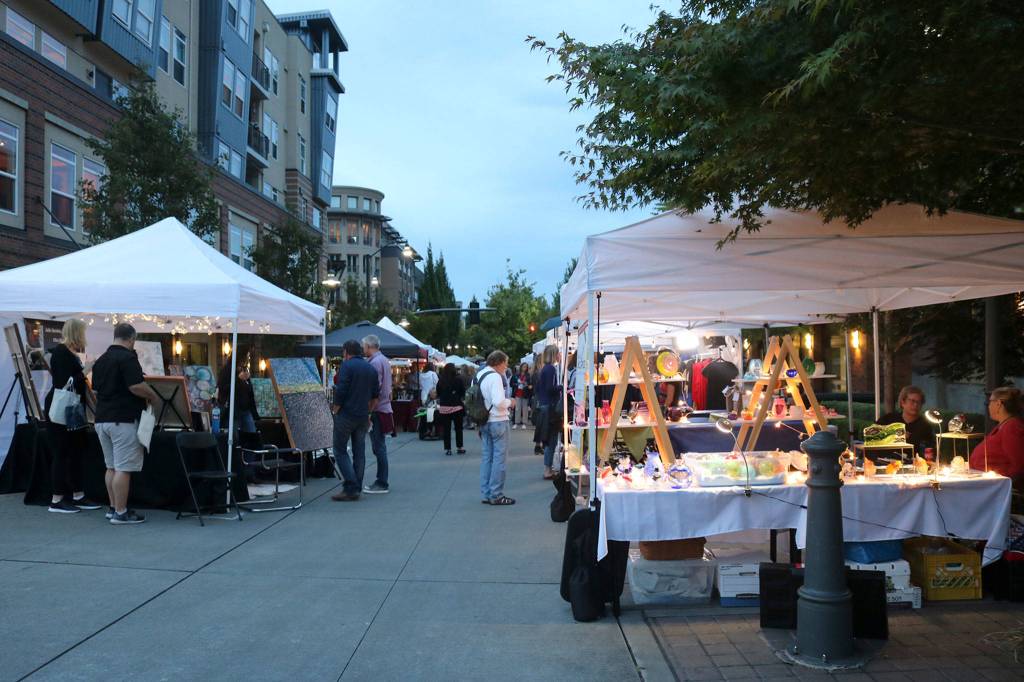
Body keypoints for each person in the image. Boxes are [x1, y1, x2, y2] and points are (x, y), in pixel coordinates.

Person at [92, 322, 159, 525]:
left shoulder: (101, 360)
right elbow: (136, 386)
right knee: (123, 468)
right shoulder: (127, 357)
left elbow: (94, 391)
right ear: (131, 338)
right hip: (123, 419)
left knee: (110, 466)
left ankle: (113, 508)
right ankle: (121, 512)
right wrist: (153, 395)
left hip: (102, 418)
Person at [44, 319, 101, 513]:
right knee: (61, 452)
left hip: (73, 409)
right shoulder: (61, 353)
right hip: (63, 409)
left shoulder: (69, 353)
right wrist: (86, 370)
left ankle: (78, 494)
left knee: (75, 451)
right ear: (77, 333)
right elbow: (65, 383)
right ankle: (57, 499)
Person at [331, 340, 379, 502]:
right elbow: (375, 396)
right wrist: (369, 412)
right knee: (359, 452)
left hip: (346, 415)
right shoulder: (370, 368)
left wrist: (335, 409)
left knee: (340, 450)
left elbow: (341, 389)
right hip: (362, 416)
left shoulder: (347, 366)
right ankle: (356, 486)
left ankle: (351, 486)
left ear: (346, 352)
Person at [479, 350, 514, 506]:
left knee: (488, 458)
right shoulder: (495, 377)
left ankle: (487, 493)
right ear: (499, 363)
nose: (506, 367)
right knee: (499, 459)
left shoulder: (479, 375)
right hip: (498, 420)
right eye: (505, 363)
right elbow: (499, 401)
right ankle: (496, 494)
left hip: (483, 420)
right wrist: (510, 402)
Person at [970, 387, 1024, 485]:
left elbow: (1019, 464)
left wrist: (1001, 484)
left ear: (998, 403)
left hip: (996, 487)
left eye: (990, 402)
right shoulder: (1004, 425)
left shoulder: (1012, 426)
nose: (988, 406)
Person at [362, 334, 392, 494]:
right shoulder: (384, 360)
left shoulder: (374, 363)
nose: (363, 349)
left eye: (364, 346)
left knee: (378, 447)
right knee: (380, 446)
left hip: (377, 408)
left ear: (369, 346)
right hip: (383, 407)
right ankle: (382, 480)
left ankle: (382, 481)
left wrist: (368, 409)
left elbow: (375, 389)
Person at [876, 386, 933, 456]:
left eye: (919, 402)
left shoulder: (925, 426)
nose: (915, 405)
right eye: (912, 401)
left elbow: (929, 450)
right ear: (903, 402)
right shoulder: (888, 419)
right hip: (885, 463)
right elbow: (872, 435)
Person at [535, 345, 561, 480]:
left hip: (545, 406)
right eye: (558, 353)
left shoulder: (544, 369)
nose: (560, 355)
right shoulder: (550, 369)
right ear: (554, 354)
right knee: (551, 440)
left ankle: (548, 468)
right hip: (550, 408)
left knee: (548, 439)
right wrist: (561, 387)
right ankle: (547, 469)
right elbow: (550, 388)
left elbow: (540, 389)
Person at [216, 360, 260, 434]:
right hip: (234, 411)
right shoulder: (228, 372)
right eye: (239, 366)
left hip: (246, 410)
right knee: (234, 435)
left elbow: (250, 393)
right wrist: (238, 379)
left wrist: (254, 413)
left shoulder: (245, 374)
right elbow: (225, 389)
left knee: (252, 433)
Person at [436, 363, 466, 455]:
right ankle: (459, 447)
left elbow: (438, 392)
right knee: (458, 428)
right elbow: (462, 392)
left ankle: (448, 449)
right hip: (457, 406)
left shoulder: (441, 381)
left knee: (446, 429)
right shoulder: (458, 380)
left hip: (444, 407)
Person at [418, 363, 440, 440]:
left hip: (424, 395)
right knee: (433, 412)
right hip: (432, 394)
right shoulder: (433, 374)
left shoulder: (421, 375)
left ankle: (426, 428)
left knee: (425, 412)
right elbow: (437, 384)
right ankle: (431, 429)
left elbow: (420, 385)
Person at [510, 362, 532, 429]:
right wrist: (517, 384)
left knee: (524, 409)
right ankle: (516, 422)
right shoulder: (516, 375)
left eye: (526, 367)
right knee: (517, 409)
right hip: (517, 393)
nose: (524, 368)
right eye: (523, 366)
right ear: (521, 367)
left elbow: (530, 385)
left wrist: (527, 385)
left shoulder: (528, 375)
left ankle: (524, 423)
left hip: (525, 393)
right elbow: (511, 384)